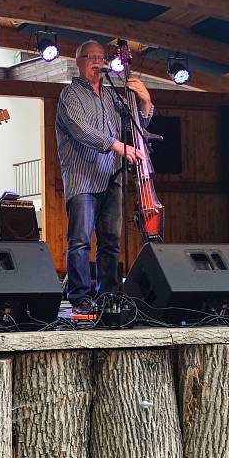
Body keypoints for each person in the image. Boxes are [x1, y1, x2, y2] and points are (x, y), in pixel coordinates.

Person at [56, 40, 153, 314]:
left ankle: (109, 294)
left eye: (101, 57)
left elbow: (136, 128)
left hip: (111, 176)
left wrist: (146, 101)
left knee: (110, 242)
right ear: (79, 61)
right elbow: (82, 131)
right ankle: (79, 296)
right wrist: (119, 146)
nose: (98, 62)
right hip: (83, 179)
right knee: (80, 240)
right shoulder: (70, 95)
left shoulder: (112, 96)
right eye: (92, 57)